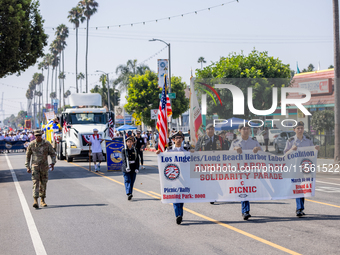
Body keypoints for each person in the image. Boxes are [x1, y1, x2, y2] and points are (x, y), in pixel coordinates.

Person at [283, 121, 320, 217]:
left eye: (301, 128)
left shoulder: (308, 140)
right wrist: (291, 150)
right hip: (295, 168)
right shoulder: (290, 141)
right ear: (294, 129)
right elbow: (285, 154)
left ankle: (300, 208)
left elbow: (312, 152)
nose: (300, 130)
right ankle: (299, 208)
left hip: (305, 168)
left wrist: (316, 149)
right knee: (298, 187)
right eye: (298, 128)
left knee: (304, 188)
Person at [230, 123, 262, 220]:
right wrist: (235, 149)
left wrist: (258, 149)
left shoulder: (254, 141)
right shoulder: (235, 142)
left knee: (250, 189)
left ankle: (246, 209)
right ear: (239, 130)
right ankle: (245, 211)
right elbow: (228, 154)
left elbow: (263, 152)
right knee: (244, 189)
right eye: (244, 129)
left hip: (252, 169)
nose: (246, 130)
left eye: (247, 128)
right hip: (240, 169)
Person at [156, 131, 186, 224]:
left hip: (183, 177)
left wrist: (192, 153)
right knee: (175, 196)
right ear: (173, 140)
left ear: (182, 139)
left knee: (182, 196)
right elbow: (163, 160)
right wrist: (159, 153)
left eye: (180, 138)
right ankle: (178, 215)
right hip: (173, 177)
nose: (178, 140)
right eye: (176, 138)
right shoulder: (169, 150)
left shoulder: (186, 150)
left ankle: (180, 213)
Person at [25, 130, 56, 208]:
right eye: (36, 135)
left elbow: (53, 154)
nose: (38, 136)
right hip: (35, 167)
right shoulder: (32, 144)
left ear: (41, 135)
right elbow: (28, 156)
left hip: (44, 167)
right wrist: (27, 166)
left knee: (43, 183)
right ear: (34, 136)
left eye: (39, 135)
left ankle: (42, 200)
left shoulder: (47, 144)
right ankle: (35, 200)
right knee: (36, 183)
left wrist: (53, 163)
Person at [195, 123, 223, 204]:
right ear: (206, 130)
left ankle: (214, 193)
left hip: (216, 163)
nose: (210, 130)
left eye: (212, 129)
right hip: (205, 163)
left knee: (215, 179)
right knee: (209, 180)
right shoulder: (202, 139)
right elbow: (197, 150)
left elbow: (225, 150)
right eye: (209, 129)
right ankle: (211, 195)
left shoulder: (219, 138)